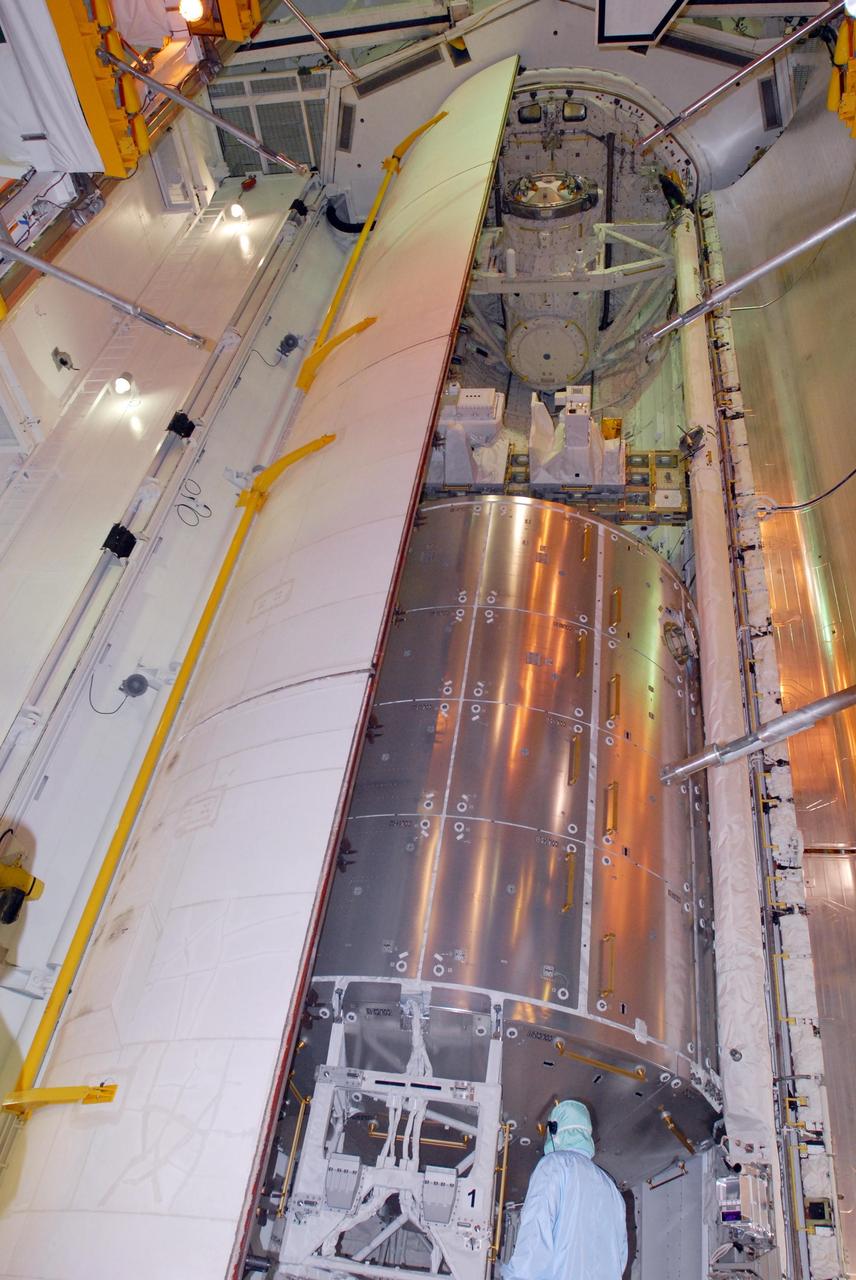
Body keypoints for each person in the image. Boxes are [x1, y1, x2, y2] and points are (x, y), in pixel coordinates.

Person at [502, 1099, 628, 1280]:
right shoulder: (611, 1188)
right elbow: (620, 1257)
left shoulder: (554, 1166)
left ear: (554, 1131)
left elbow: (535, 1235)